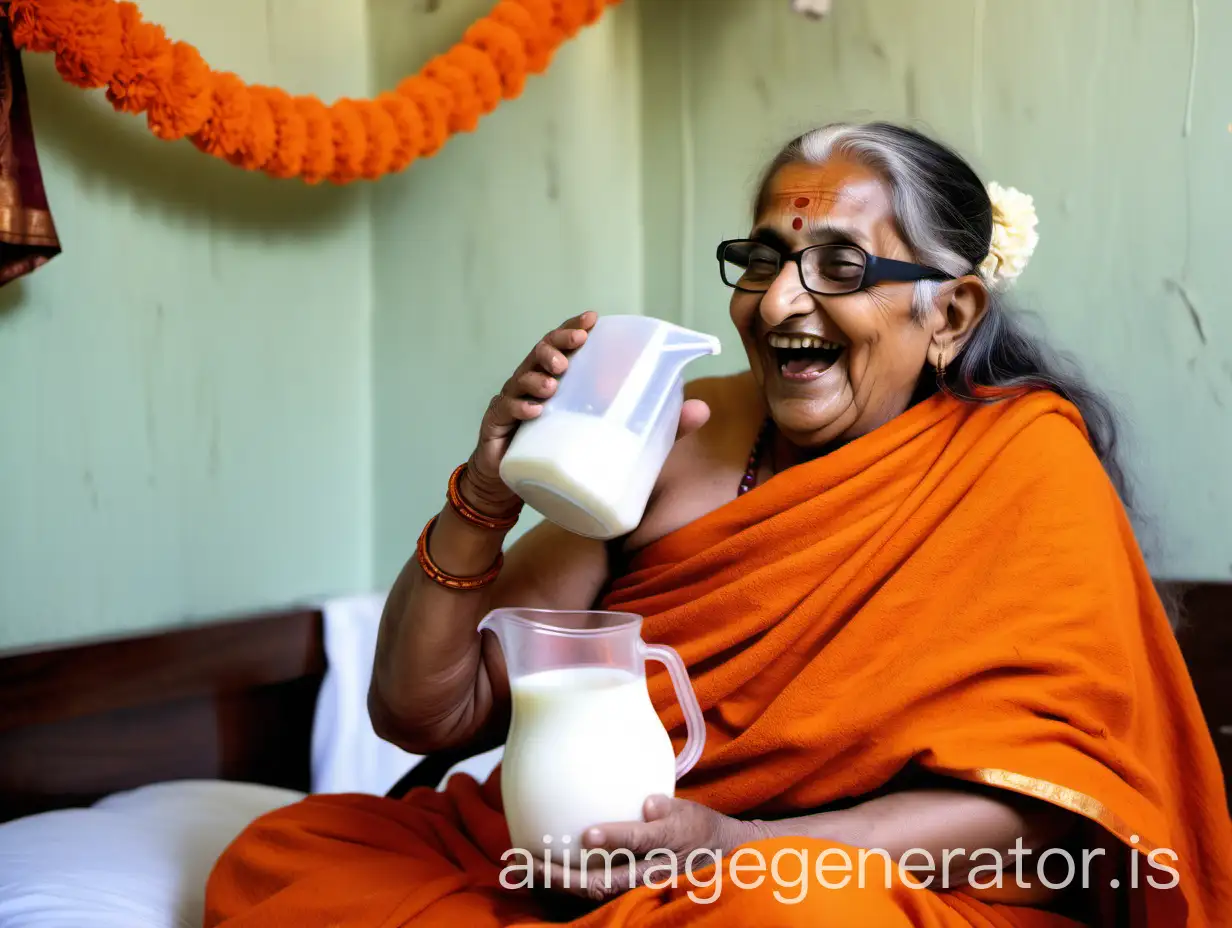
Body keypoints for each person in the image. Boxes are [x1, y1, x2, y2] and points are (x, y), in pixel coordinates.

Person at [204, 122, 1232, 927]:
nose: (780, 301)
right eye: (762, 259)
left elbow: (1040, 806)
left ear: (949, 315)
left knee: (794, 915)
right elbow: (425, 713)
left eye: (838, 266)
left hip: (835, 882)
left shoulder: (1018, 462)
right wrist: (486, 489)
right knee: (287, 855)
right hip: (582, 865)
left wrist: (732, 846)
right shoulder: (663, 433)